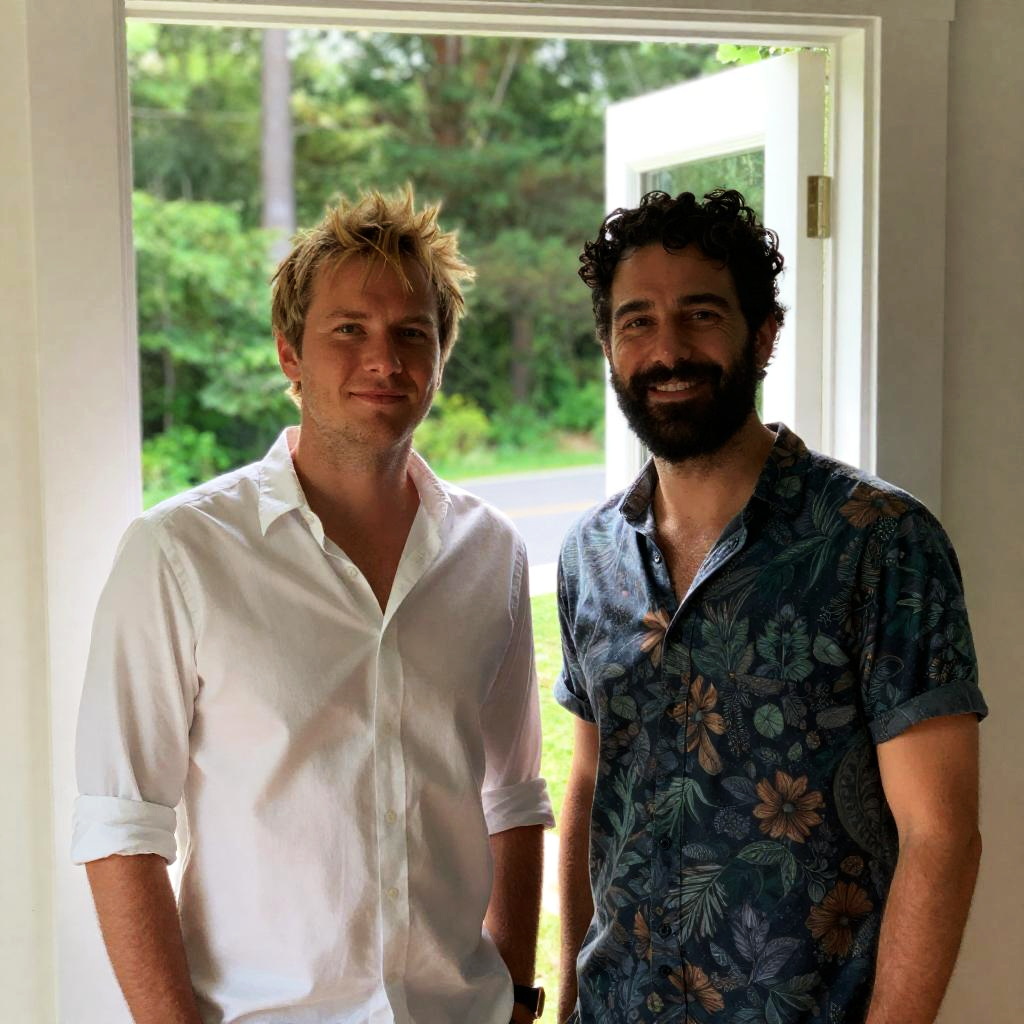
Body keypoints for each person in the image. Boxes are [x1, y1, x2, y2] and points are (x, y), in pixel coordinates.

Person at [73, 188, 553, 1024]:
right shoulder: (178, 553)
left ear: (441, 356)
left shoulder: (492, 553)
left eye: (413, 333)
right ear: (290, 353)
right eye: (349, 330)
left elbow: (511, 799)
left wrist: (513, 996)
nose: (384, 359)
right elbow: (122, 829)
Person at [555, 189, 985, 1024]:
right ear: (608, 345)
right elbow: (590, 782)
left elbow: (941, 836)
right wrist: (570, 999)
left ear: (763, 335)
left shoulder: (880, 542)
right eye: (637, 321)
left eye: (701, 314)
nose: (667, 349)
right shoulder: (589, 555)